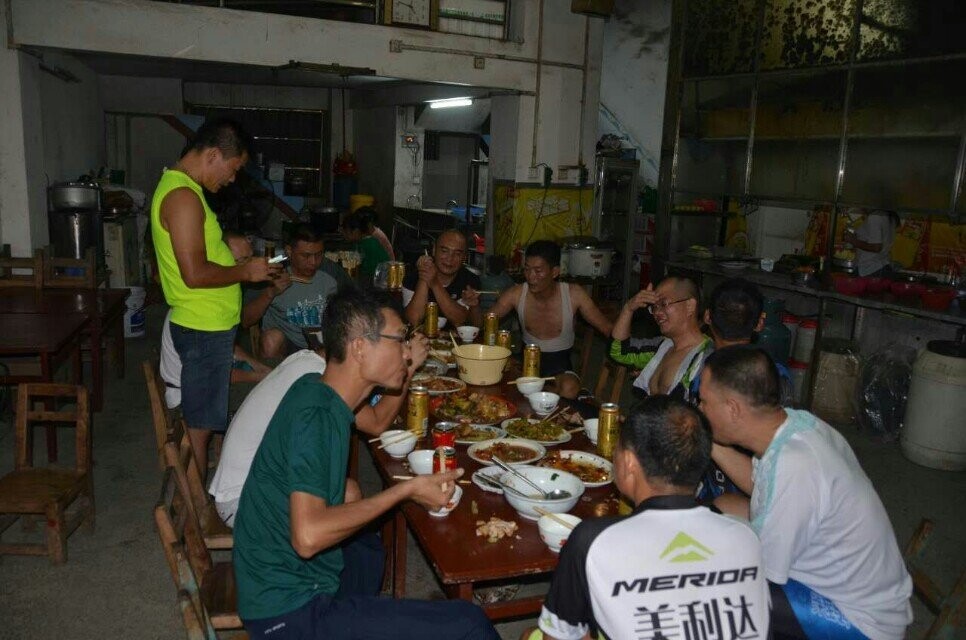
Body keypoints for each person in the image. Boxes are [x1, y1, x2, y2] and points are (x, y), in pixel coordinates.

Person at [232, 289, 498, 639]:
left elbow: (372, 426)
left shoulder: (318, 388)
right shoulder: (316, 417)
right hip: (286, 611)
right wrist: (405, 491)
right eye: (399, 340)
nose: (407, 352)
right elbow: (308, 537)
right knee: (469, 623)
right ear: (359, 347)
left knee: (369, 551)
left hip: (283, 577)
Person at [699, 345, 912, 639]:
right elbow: (762, 484)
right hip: (845, 581)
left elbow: (762, 571)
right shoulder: (795, 426)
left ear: (733, 409)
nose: (699, 409)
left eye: (704, 402)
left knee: (719, 593)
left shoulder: (796, 466)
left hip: (862, 621)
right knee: (722, 506)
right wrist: (707, 441)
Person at [534, 395, 769, 640]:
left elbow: (557, 637)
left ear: (628, 462)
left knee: (535, 635)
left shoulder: (592, 540)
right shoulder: (746, 538)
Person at [150, 117, 278, 477]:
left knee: (203, 422)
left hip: (208, 326)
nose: (232, 179)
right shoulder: (183, 197)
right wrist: (245, 271)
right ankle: (195, 503)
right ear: (212, 155)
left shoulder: (184, 192)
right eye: (233, 168)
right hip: (201, 327)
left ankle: (195, 496)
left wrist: (225, 244)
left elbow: (195, 249)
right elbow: (193, 274)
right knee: (200, 428)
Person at [209, 331, 429, 526]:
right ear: (359, 348)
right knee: (349, 494)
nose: (401, 351)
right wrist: (408, 368)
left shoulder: (308, 359)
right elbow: (377, 423)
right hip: (240, 501)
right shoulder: (322, 380)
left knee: (340, 487)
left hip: (245, 487)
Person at [693, 278, 792, 503]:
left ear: (707, 316)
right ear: (760, 323)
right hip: (766, 494)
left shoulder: (703, 375)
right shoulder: (777, 374)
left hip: (715, 496)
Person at [488, 240, 613, 399]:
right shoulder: (517, 293)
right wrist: (472, 306)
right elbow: (485, 323)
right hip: (525, 365)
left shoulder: (573, 294)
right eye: (527, 269)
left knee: (569, 388)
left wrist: (630, 353)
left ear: (555, 272)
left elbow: (607, 329)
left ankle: (541, 393)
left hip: (559, 369)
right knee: (495, 379)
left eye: (538, 271)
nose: (531, 276)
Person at [160, 231, 272, 408]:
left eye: (250, 258)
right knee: (269, 399)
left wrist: (258, 366)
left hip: (203, 380)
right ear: (219, 262)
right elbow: (214, 372)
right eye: (242, 261)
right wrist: (261, 376)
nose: (250, 266)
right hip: (189, 396)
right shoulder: (206, 305)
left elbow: (225, 346)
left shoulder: (220, 295)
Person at [244, 224, 338, 358]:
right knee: (271, 339)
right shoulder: (271, 276)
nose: (313, 262)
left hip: (322, 345)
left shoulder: (330, 274)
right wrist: (270, 293)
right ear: (289, 251)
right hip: (288, 347)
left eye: (319, 255)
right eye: (305, 256)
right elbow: (246, 321)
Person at [610, 276, 712, 400]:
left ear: (689, 305)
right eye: (654, 307)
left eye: (664, 304)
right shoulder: (662, 346)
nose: (657, 313)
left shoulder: (707, 358)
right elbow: (620, 351)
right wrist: (628, 308)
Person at [402, 229, 482, 328]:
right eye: (444, 251)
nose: (450, 258)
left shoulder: (470, 280)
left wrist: (435, 284)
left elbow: (460, 319)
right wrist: (424, 277)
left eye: (457, 254)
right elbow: (413, 320)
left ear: (464, 257)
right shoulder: (412, 277)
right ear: (434, 250)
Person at [843, 208, 898, 277]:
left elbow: (876, 247)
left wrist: (852, 240)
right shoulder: (887, 216)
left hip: (870, 268)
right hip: (880, 266)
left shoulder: (875, 217)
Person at [341, 210, 390, 279]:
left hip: (379, 280)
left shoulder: (370, 244)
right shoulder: (359, 243)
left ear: (356, 231)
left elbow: (369, 272)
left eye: (346, 232)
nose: (343, 234)